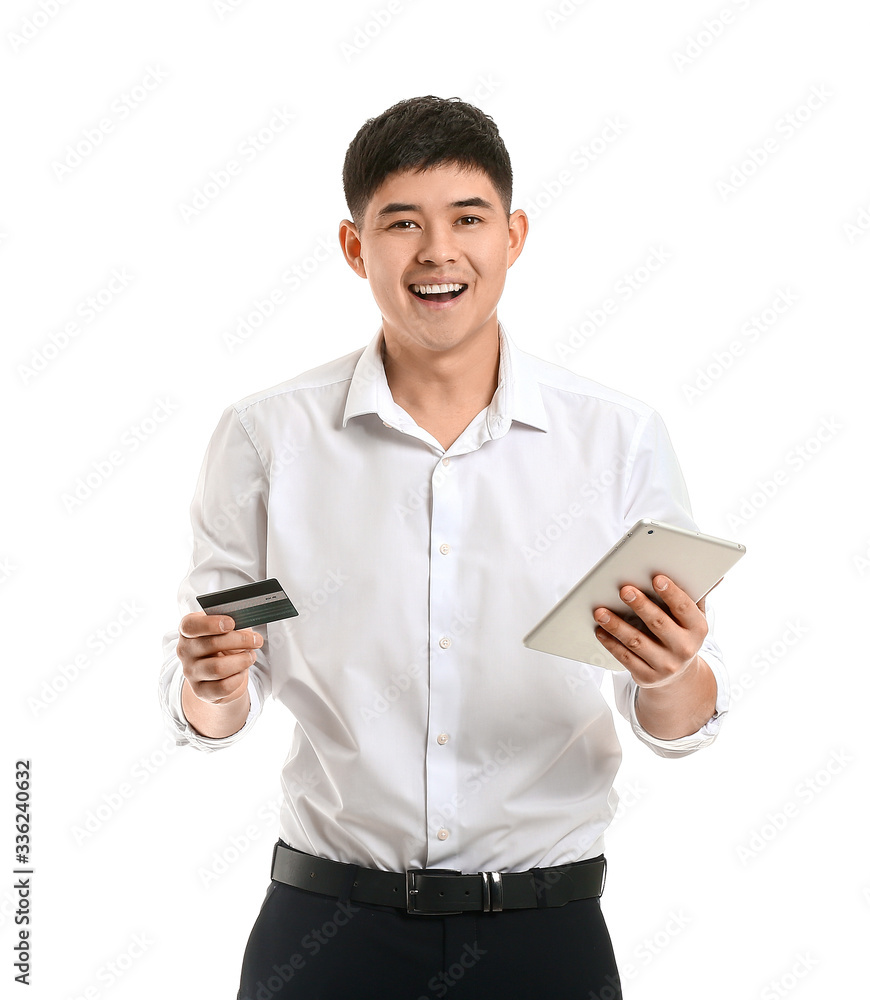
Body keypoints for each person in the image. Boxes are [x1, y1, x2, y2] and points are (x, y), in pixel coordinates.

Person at [159, 95, 729, 999]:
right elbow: (219, 704)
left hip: (548, 938)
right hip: (326, 932)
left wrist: (668, 673)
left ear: (515, 235)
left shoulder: (615, 439)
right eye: (402, 223)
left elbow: (680, 722)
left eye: (469, 219)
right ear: (356, 247)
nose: (438, 251)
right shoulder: (269, 438)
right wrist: (211, 682)